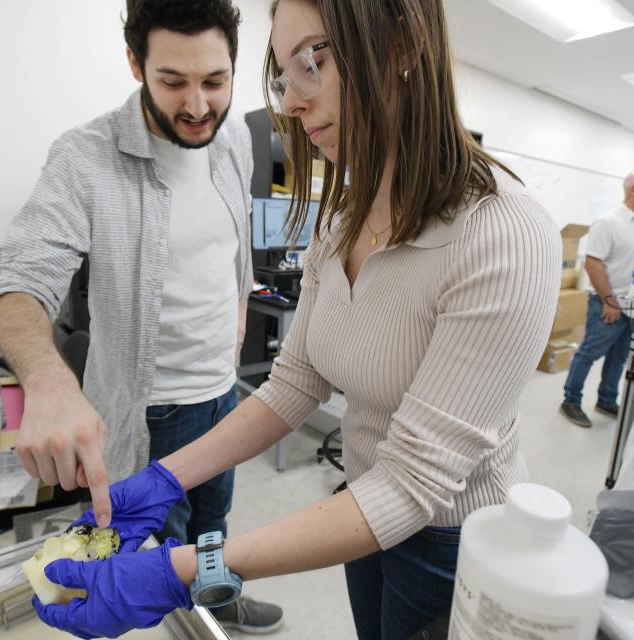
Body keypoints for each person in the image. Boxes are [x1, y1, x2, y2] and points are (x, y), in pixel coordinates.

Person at [31, 1, 561, 639]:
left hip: (451, 539)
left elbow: (413, 484)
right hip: (360, 511)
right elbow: (295, 383)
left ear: (403, 45)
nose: (291, 103)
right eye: (283, 76)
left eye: (314, 61)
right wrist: (167, 476)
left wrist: (189, 567)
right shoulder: (343, 217)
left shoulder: (504, 233)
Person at [0, 0, 284, 632]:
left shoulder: (232, 143)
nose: (198, 105)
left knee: (213, 528)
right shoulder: (84, 158)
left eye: (215, 81)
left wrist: (233, 315)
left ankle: (219, 602)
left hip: (222, 393)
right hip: (152, 414)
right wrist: (47, 379)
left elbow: (229, 247)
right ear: (135, 64)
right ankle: (196, 622)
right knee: (155, 562)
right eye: (173, 82)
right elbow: (19, 278)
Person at [559, 170, 634, 429]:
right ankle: (570, 401)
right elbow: (593, 263)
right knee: (589, 353)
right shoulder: (608, 222)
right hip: (610, 302)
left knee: (620, 356)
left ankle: (607, 400)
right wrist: (610, 301)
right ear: (632, 189)